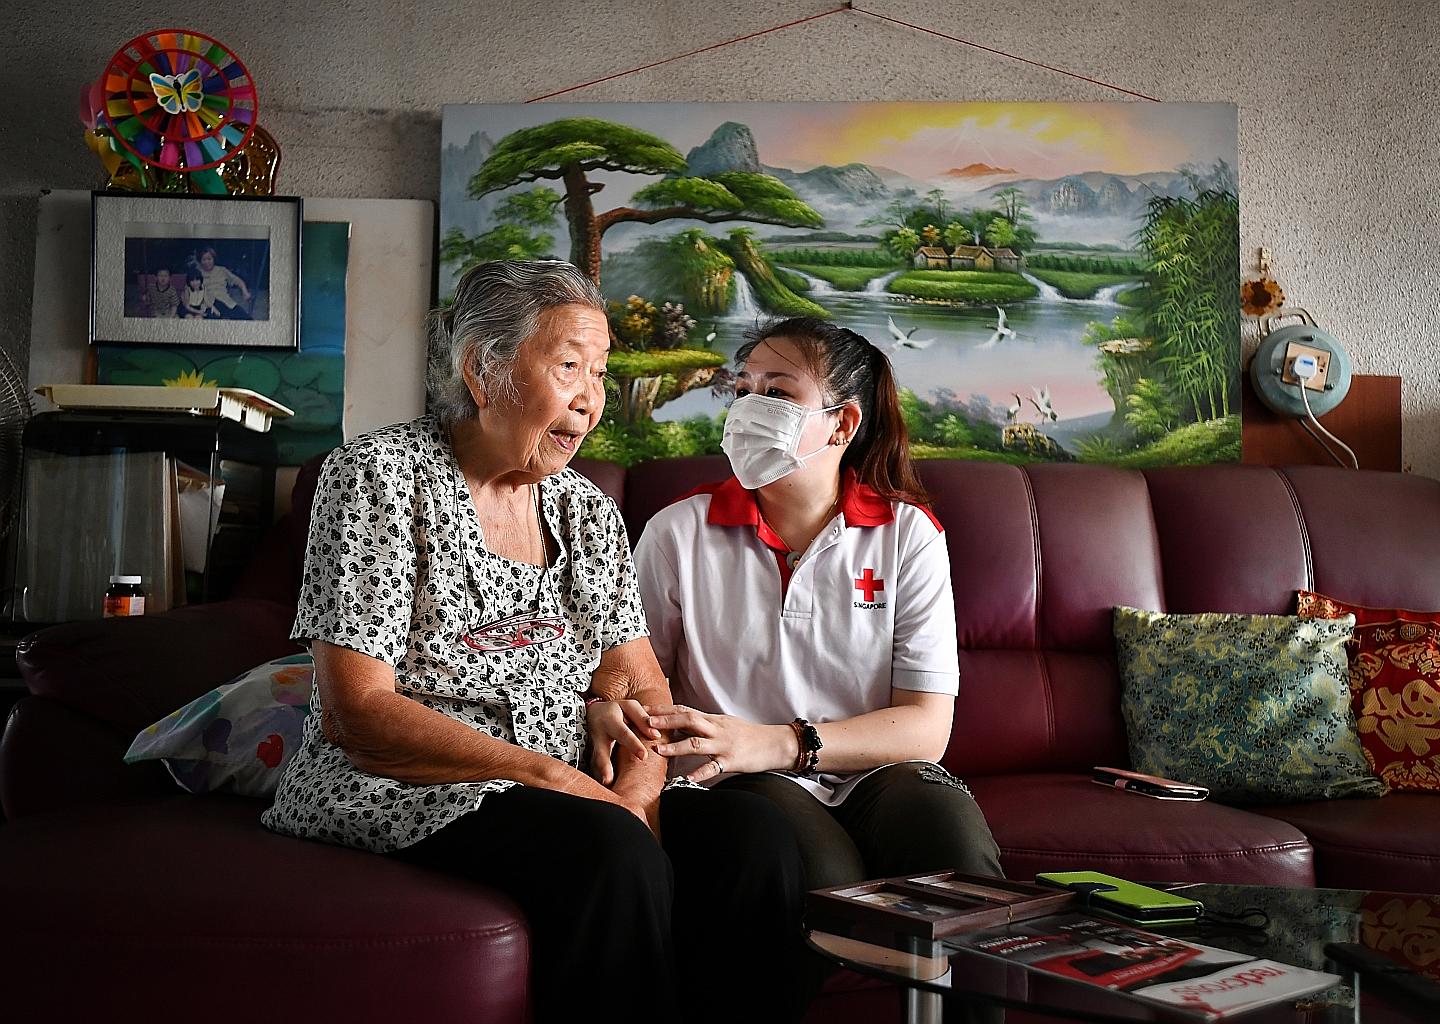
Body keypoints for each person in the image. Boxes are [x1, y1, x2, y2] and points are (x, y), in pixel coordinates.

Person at [262, 260, 803, 1022]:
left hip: (570, 783)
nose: (591, 399)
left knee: (755, 840)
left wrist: (638, 794)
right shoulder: (375, 479)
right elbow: (359, 713)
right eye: (569, 367)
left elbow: (641, 683)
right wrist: (562, 783)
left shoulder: (586, 510)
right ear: (484, 370)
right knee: (605, 855)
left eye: (602, 372)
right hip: (421, 782)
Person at [627, 316, 1003, 1010]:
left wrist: (781, 741)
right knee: (819, 873)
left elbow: (925, 728)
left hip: (872, 772)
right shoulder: (676, 534)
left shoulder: (907, 536)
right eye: (741, 389)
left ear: (841, 424)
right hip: (733, 779)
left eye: (775, 390)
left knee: (955, 851)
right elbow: (635, 683)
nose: (746, 407)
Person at [193, 245, 252, 319]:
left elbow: (237, 280)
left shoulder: (222, 270)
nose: (207, 262)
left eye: (209, 259)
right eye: (204, 260)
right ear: (200, 261)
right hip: (208, 305)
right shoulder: (197, 273)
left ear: (213, 259)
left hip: (226, 302)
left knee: (247, 319)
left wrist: (245, 292)